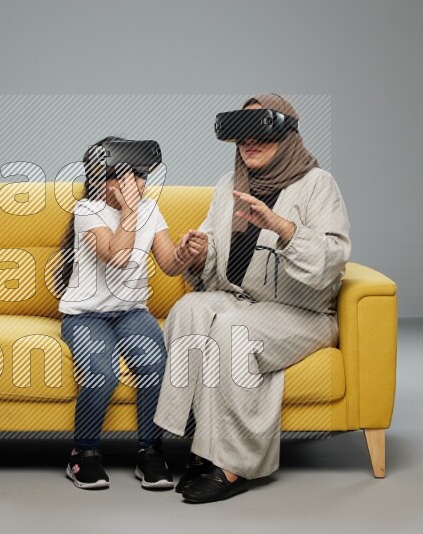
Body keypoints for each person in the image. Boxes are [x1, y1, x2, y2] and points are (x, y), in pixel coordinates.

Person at [154, 94, 351, 503]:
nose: (248, 142)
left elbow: (332, 263)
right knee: (189, 309)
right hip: (242, 299)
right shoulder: (229, 185)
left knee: (231, 331)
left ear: (288, 136)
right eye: (241, 135)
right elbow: (214, 260)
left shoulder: (318, 184)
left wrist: (282, 226)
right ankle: (197, 441)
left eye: (259, 132)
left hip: (302, 313)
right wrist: (199, 253)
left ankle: (234, 464)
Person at [57, 136, 207, 490]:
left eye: (140, 177)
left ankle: (150, 451)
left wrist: (188, 252)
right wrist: (129, 212)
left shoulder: (151, 210)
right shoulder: (87, 212)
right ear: (99, 179)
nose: (135, 185)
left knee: (156, 367)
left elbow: (170, 265)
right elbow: (117, 255)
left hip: (131, 312)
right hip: (86, 316)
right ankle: (84, 454)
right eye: (124, 178)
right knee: (102, 375)